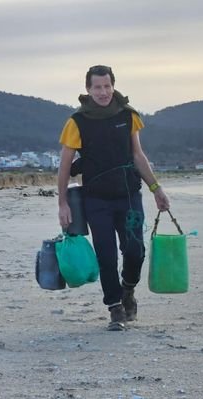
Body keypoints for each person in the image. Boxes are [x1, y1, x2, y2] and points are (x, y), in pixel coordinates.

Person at [58, 65, 169, 331]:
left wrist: (156, 189)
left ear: (113, 85)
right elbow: (64, 165)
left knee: (135, 251)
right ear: (88, 89)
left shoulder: (128, 115)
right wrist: (62, 202)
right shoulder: (77, 122)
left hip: (129, 196)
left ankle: (128, 289)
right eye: (97, 87)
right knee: (106, 255)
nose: (103, 92)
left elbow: (138, 156)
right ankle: (115, 307)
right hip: (96, 200)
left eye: (107, 86)